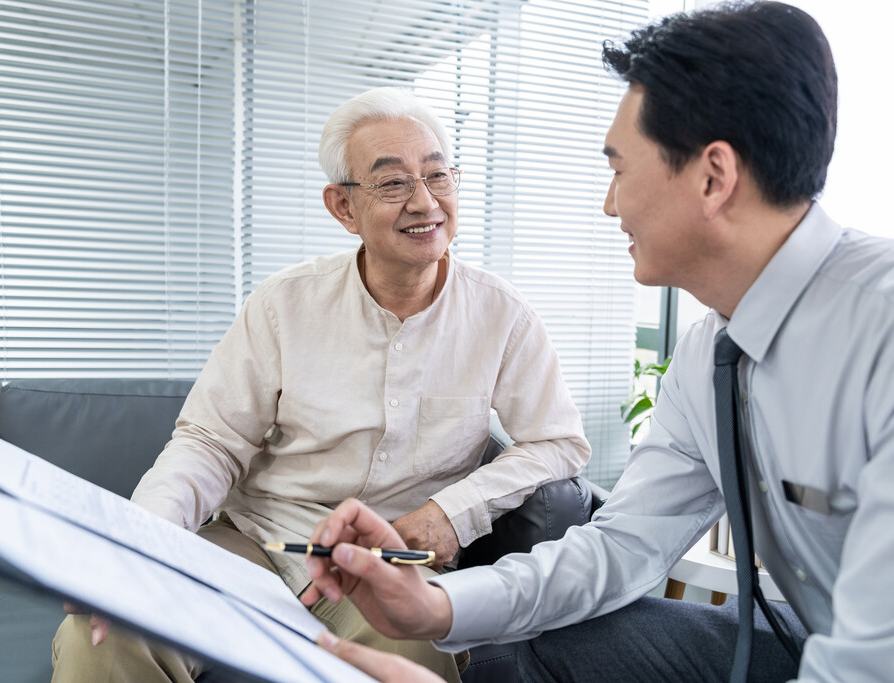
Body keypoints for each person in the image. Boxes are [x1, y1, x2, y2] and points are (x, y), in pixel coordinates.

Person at [299, 2, 894, 682]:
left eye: (620, 169)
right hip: (819, 636)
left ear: (713, 177)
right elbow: (622, 544)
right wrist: (437, 605)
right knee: (552, 643)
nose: (609, 203)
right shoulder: (709, 354)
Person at [50, 86, 590, 683]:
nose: (424, 201)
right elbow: (209, 442)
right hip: (256, 541)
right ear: (343, 207)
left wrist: (453, 511)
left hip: (380, 561)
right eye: (392, 183)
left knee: (410, 649)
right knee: (107, 629)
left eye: (438, 176)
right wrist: (142, 539)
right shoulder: (284, 304)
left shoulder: (502, 314)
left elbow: (559, 442)